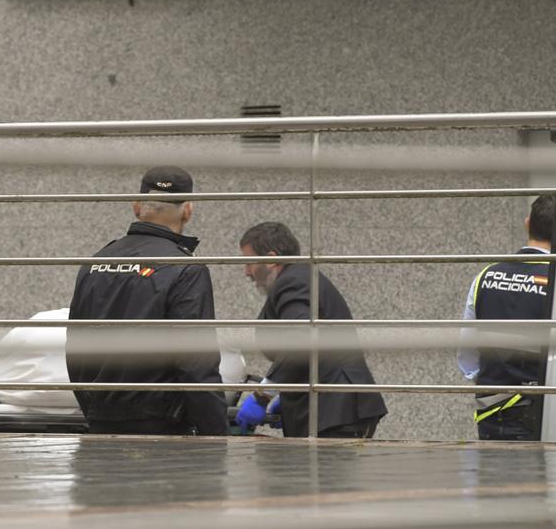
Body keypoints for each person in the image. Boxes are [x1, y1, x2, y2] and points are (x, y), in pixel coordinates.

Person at [65, 166, 228, 436]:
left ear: (136, 206)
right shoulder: (185, 269)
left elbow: (75, 347)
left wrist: (96, 412)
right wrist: (217, 434)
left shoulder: (95, 263)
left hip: (100, 427)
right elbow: (196, 364)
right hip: (161, 433)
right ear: (188, 210)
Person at [238, 222, 387, 438]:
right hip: (333, 407)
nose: (246, 272)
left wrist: (263, 395)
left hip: (336, 409)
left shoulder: (293, 281)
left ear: (271, 259)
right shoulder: (298, 278)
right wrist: (291, 394)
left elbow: (300, 339)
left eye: (248, 262)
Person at [458, 195, 555, 440]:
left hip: (491, 413)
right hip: (541, 414)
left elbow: (466, 356)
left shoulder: (486, 275)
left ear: (527, 223)